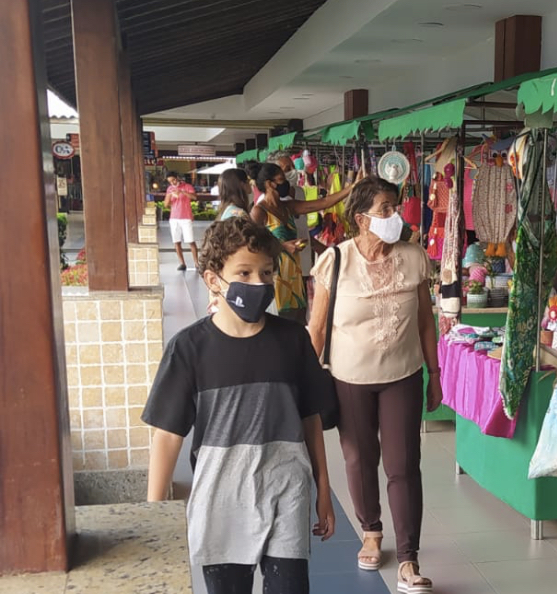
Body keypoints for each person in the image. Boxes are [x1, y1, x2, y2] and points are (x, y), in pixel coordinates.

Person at [143, 217, 335, 594]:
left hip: (287, 490)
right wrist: (154, 514)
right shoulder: (189, 349)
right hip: (220, 498)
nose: (258, 284)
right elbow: (167, 435)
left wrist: (323, 490)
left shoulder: (294, 341)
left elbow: (310, 418)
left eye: (266, 272)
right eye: (243, 273)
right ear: (213, 279)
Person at [307, 176, 441, 593]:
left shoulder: (415, 257)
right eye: (385, 209)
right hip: (350, 378)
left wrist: (435, 375)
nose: (394, 216)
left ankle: (408, 558)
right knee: (359, 459)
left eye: (395, 207)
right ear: (361, 218)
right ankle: (371, 531)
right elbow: (316, 328)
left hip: (402, 375)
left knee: (403, 466)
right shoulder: (336, 260)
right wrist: (307, 384)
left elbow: (424, 322)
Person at [250, 163, 352, 325]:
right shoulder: (260, 212)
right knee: (278, 326)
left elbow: (324, 202)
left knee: (297, 323)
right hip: (275, 277)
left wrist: (352, 187)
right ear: (270, 184)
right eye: (281, 179)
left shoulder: (288, 207)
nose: (286, 183)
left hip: (294, 275)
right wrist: (283, 246)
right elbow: (252, 246)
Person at [164, 171, 199, 271]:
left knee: (190, 240)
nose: (173, 183)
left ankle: (196, 263)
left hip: (186, 217)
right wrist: (170, 195)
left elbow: (194, 197)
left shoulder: (187, 186)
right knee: (176, 241)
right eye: (170, 182)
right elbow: (166, 205)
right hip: (174, 218)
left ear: (177, 177)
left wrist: (182, 192)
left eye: (173, 180)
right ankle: (182, 263)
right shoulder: (170, 189)